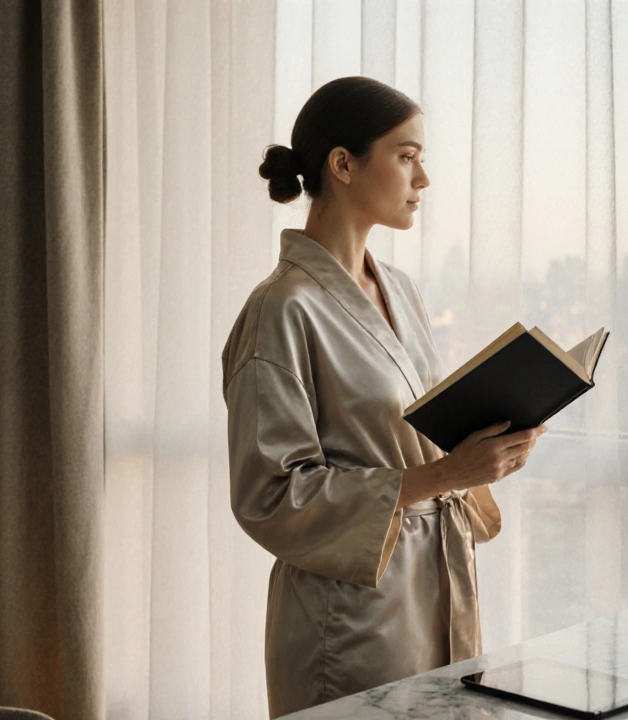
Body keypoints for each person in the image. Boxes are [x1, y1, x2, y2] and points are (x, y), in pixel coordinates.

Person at [221, 76, 546, 717]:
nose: (422, 179)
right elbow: (269, 495)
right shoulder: (279, 311)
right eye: (406, 156)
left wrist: (488, 449)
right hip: (346, 622)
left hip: (432, 594)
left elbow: (413, 432)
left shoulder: (398, 289)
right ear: (343, 165)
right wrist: (445, 473)